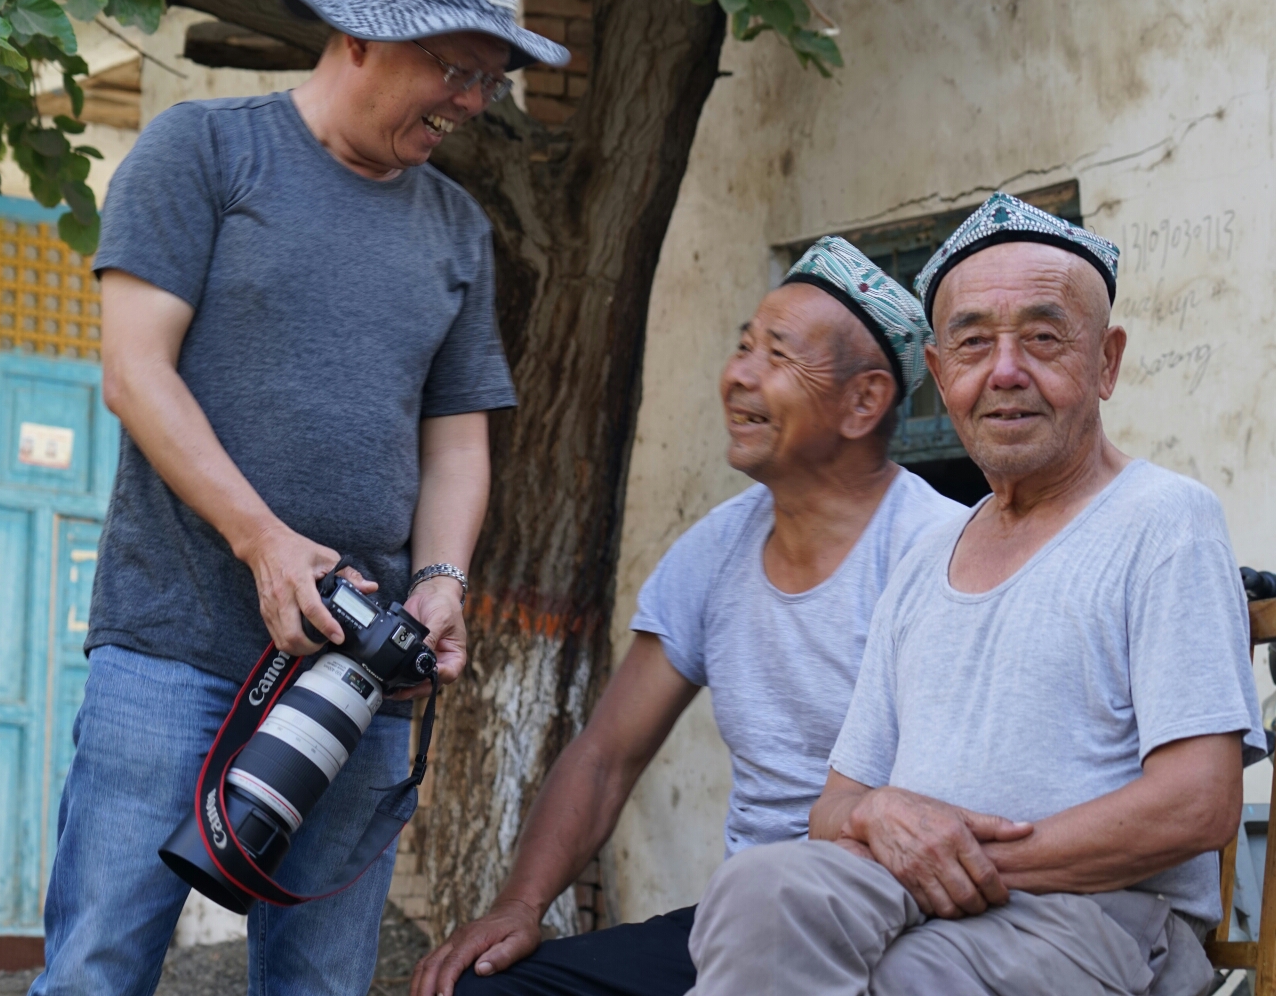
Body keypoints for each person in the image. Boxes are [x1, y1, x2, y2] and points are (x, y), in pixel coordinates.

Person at [30, 0, 569, 996]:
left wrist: (442, 579)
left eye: (491, 78)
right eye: (457, 68)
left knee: (320, 986)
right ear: (361, 36)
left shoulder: (457, 229)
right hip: (173, 644)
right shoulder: (203, 150)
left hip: (356, 677)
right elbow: (135, 372)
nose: (473, 101)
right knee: (97, 971)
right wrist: (265, 543)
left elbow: (456, 438)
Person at [683, 194, 1265, 996]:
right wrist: (877, 817)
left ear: (1106, 362)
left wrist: (955, 863)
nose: (1005, 372)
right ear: (939, 374)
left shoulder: (1164, 520)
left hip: (1097, 920)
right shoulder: (926, 557)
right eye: (973, 344)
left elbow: (1198, 805)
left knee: (901, 979)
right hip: (916, 899)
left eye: (1043, 339)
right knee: (755, 891)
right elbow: (834, 807)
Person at [412, 237, 966, 996]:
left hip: (896, 922)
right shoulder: (714, 550)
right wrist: (520, 905)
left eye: (777, 356)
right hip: (745, 918)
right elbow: (606, 755)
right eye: (743, 346)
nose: (739, 375)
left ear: (864, 402)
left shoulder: (940, 554)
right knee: (483, 991)